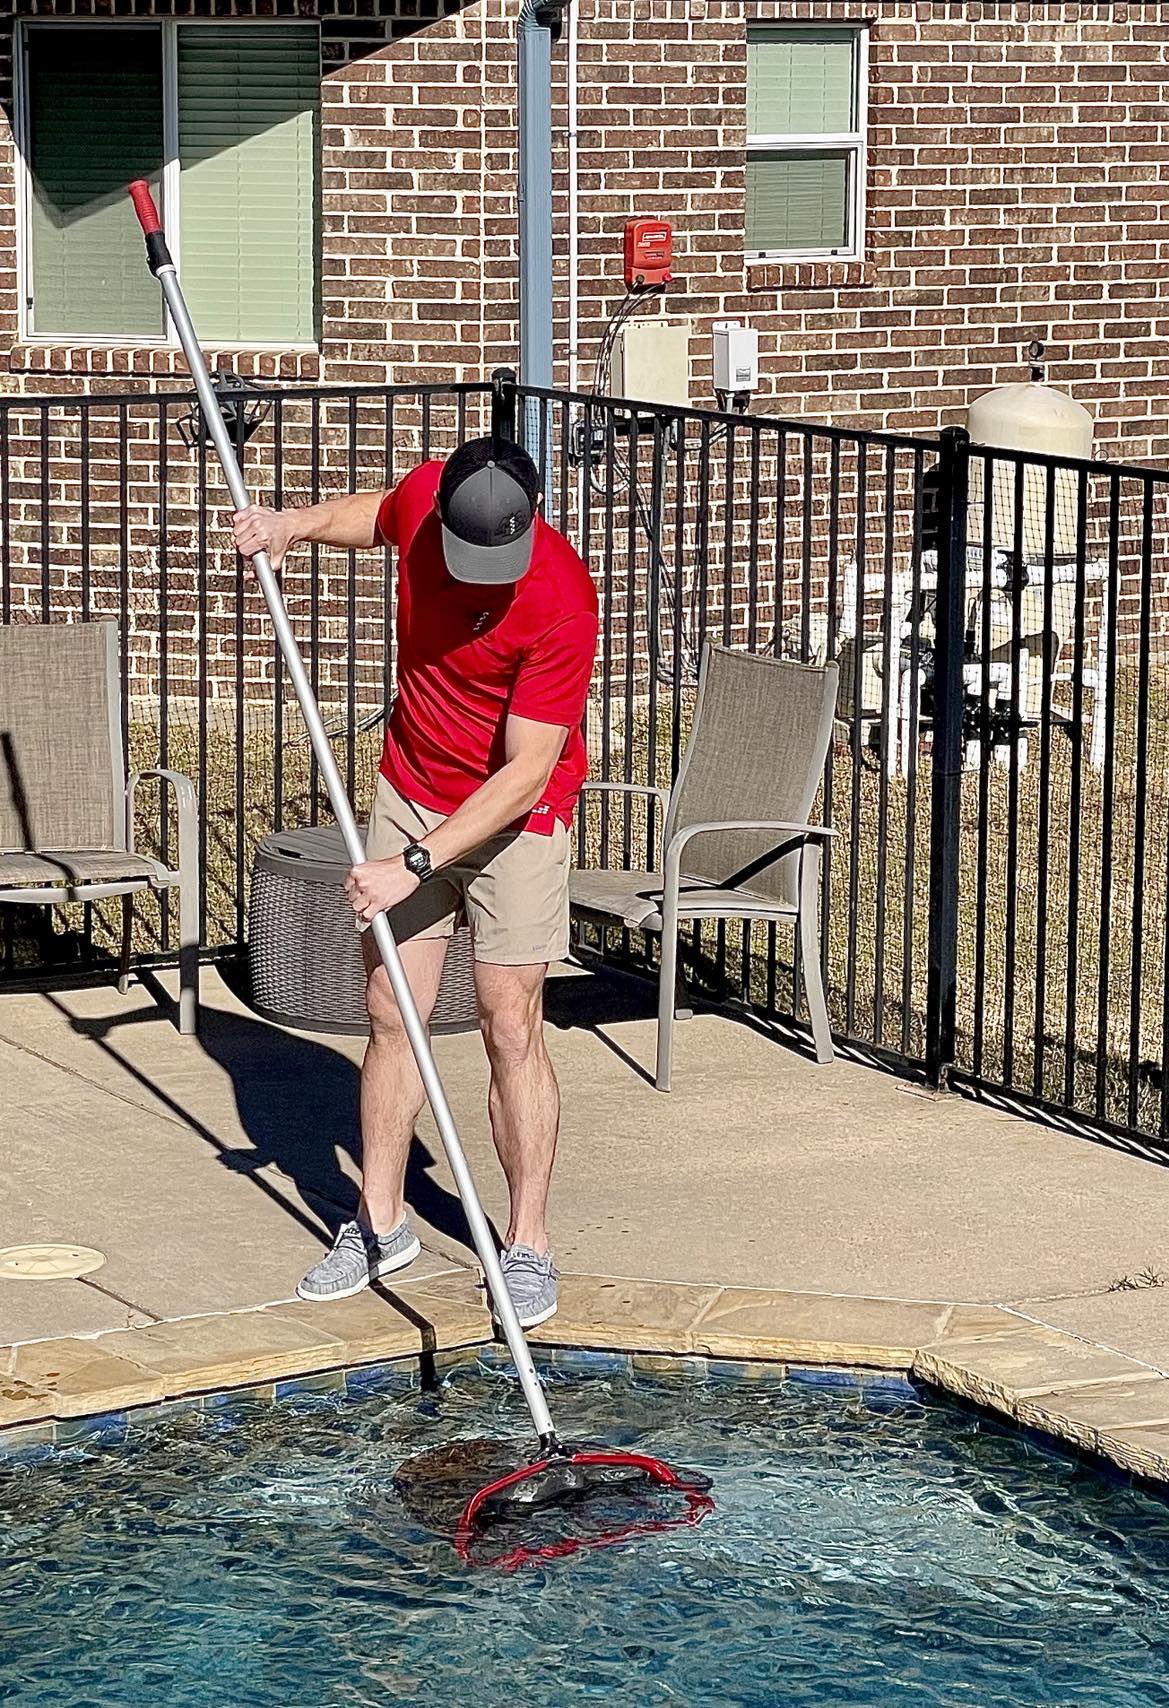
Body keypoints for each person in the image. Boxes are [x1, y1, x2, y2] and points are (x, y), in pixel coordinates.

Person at [232, 438, 598, 1329]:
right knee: (393, 1011)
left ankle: (527, 1244)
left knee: (509, 1021)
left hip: (516, 818)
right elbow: (377, 515)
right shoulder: (427, 498)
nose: (481, 583)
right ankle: (380, 1224)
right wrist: (293, 526)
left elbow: (526, 771)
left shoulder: (560, 597)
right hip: (414, 785)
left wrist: (415, 863)